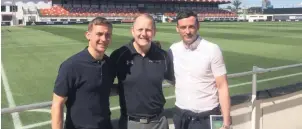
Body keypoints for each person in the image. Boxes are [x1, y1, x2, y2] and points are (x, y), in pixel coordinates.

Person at [168, 11, 231, 129]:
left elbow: (222, 86)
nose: (187, 31)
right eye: (183, 27)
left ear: (198, 26)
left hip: (208, 117)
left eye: (191, 26)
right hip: (181, 116)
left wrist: (226, 122)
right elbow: (172, 79)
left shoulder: (212, 49)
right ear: (177, 29)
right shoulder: (173, 50)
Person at [110, 14, 174, 129]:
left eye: (148, 30)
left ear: (154, 32)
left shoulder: (163, 56)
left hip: (159, 123)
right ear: (132, 31)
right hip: (130, 123)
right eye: (140, 29)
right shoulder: (119, 55)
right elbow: (104, 85)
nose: (143, 34)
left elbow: (176, 81)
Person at [51, 17, 113, 129]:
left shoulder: (109, 64)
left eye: (107, 35)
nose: (103, 39)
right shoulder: (71, 66)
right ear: (88, 35)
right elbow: (57, 104)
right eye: (99, 34)